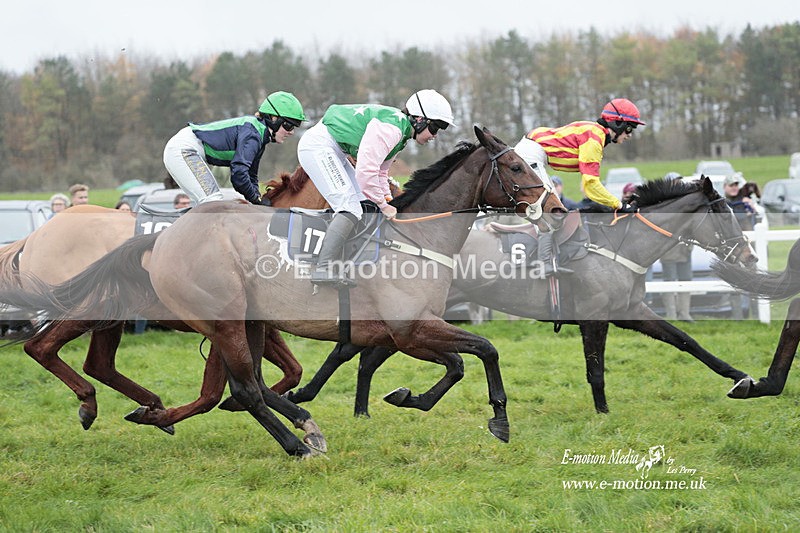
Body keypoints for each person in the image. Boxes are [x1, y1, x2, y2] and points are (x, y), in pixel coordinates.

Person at [298, 89, 455, 285]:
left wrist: (389, 201)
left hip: (334, 149)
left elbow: (381, 175)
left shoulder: (402, 133)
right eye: (435, 128)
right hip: (319, 146)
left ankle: (346, 260)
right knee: (350, 207)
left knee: (365, 203)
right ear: (419, 119)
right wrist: (383, 204)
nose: (434, 136)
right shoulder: (392, 130)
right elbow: (366, 172)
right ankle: (324, 267)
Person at [514, 98, 646, 276]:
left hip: (534, 151)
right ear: (617, 123)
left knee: (554, 211)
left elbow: (588, 184)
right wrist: (619, 205)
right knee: (553, 213)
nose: (630, 134)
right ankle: (544, 264)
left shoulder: (595, 132)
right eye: (630, 128)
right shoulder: (595, 138)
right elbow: (591, 185)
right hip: (532, 154)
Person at [163, 91, 305, 205]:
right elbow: (238, 174)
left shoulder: (260, 135)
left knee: (213, 203)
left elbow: (251, 175)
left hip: (182, 149)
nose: (291, 132)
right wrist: (257, 199)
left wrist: (257, 199)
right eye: (288, 125)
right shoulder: (253, 134)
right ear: (273, 119)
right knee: (213, 201)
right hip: (184, 150)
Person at [657, 172, 694, 321]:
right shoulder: (663, 203)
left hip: (685, 249)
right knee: (669, 281)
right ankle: (671, 315)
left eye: (679, 182)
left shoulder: (686, 202)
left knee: (686, 280)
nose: (679, 184)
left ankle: (685, 314)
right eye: (675, 182)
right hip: (668, 250)